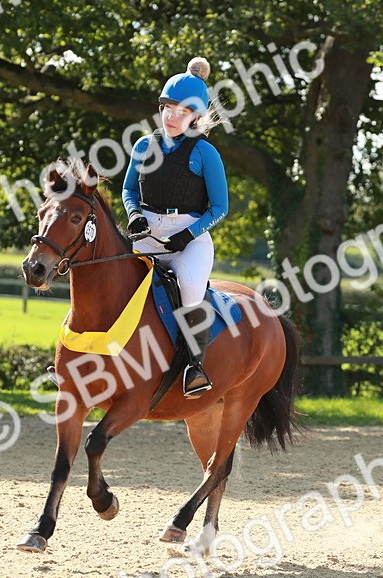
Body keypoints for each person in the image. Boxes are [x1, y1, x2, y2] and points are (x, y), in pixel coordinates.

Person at [122, 57, 229, 398]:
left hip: (190, 238)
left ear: (196, 117)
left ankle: (193, 368)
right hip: (147, 233)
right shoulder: (142, 146)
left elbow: (220, 208)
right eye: (167, 107)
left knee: (189, 287)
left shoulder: (206, 153)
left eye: (181, 111)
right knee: (111, 279)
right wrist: (135, 215)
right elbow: (128, 190)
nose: (171, 116)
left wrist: (186, 235)